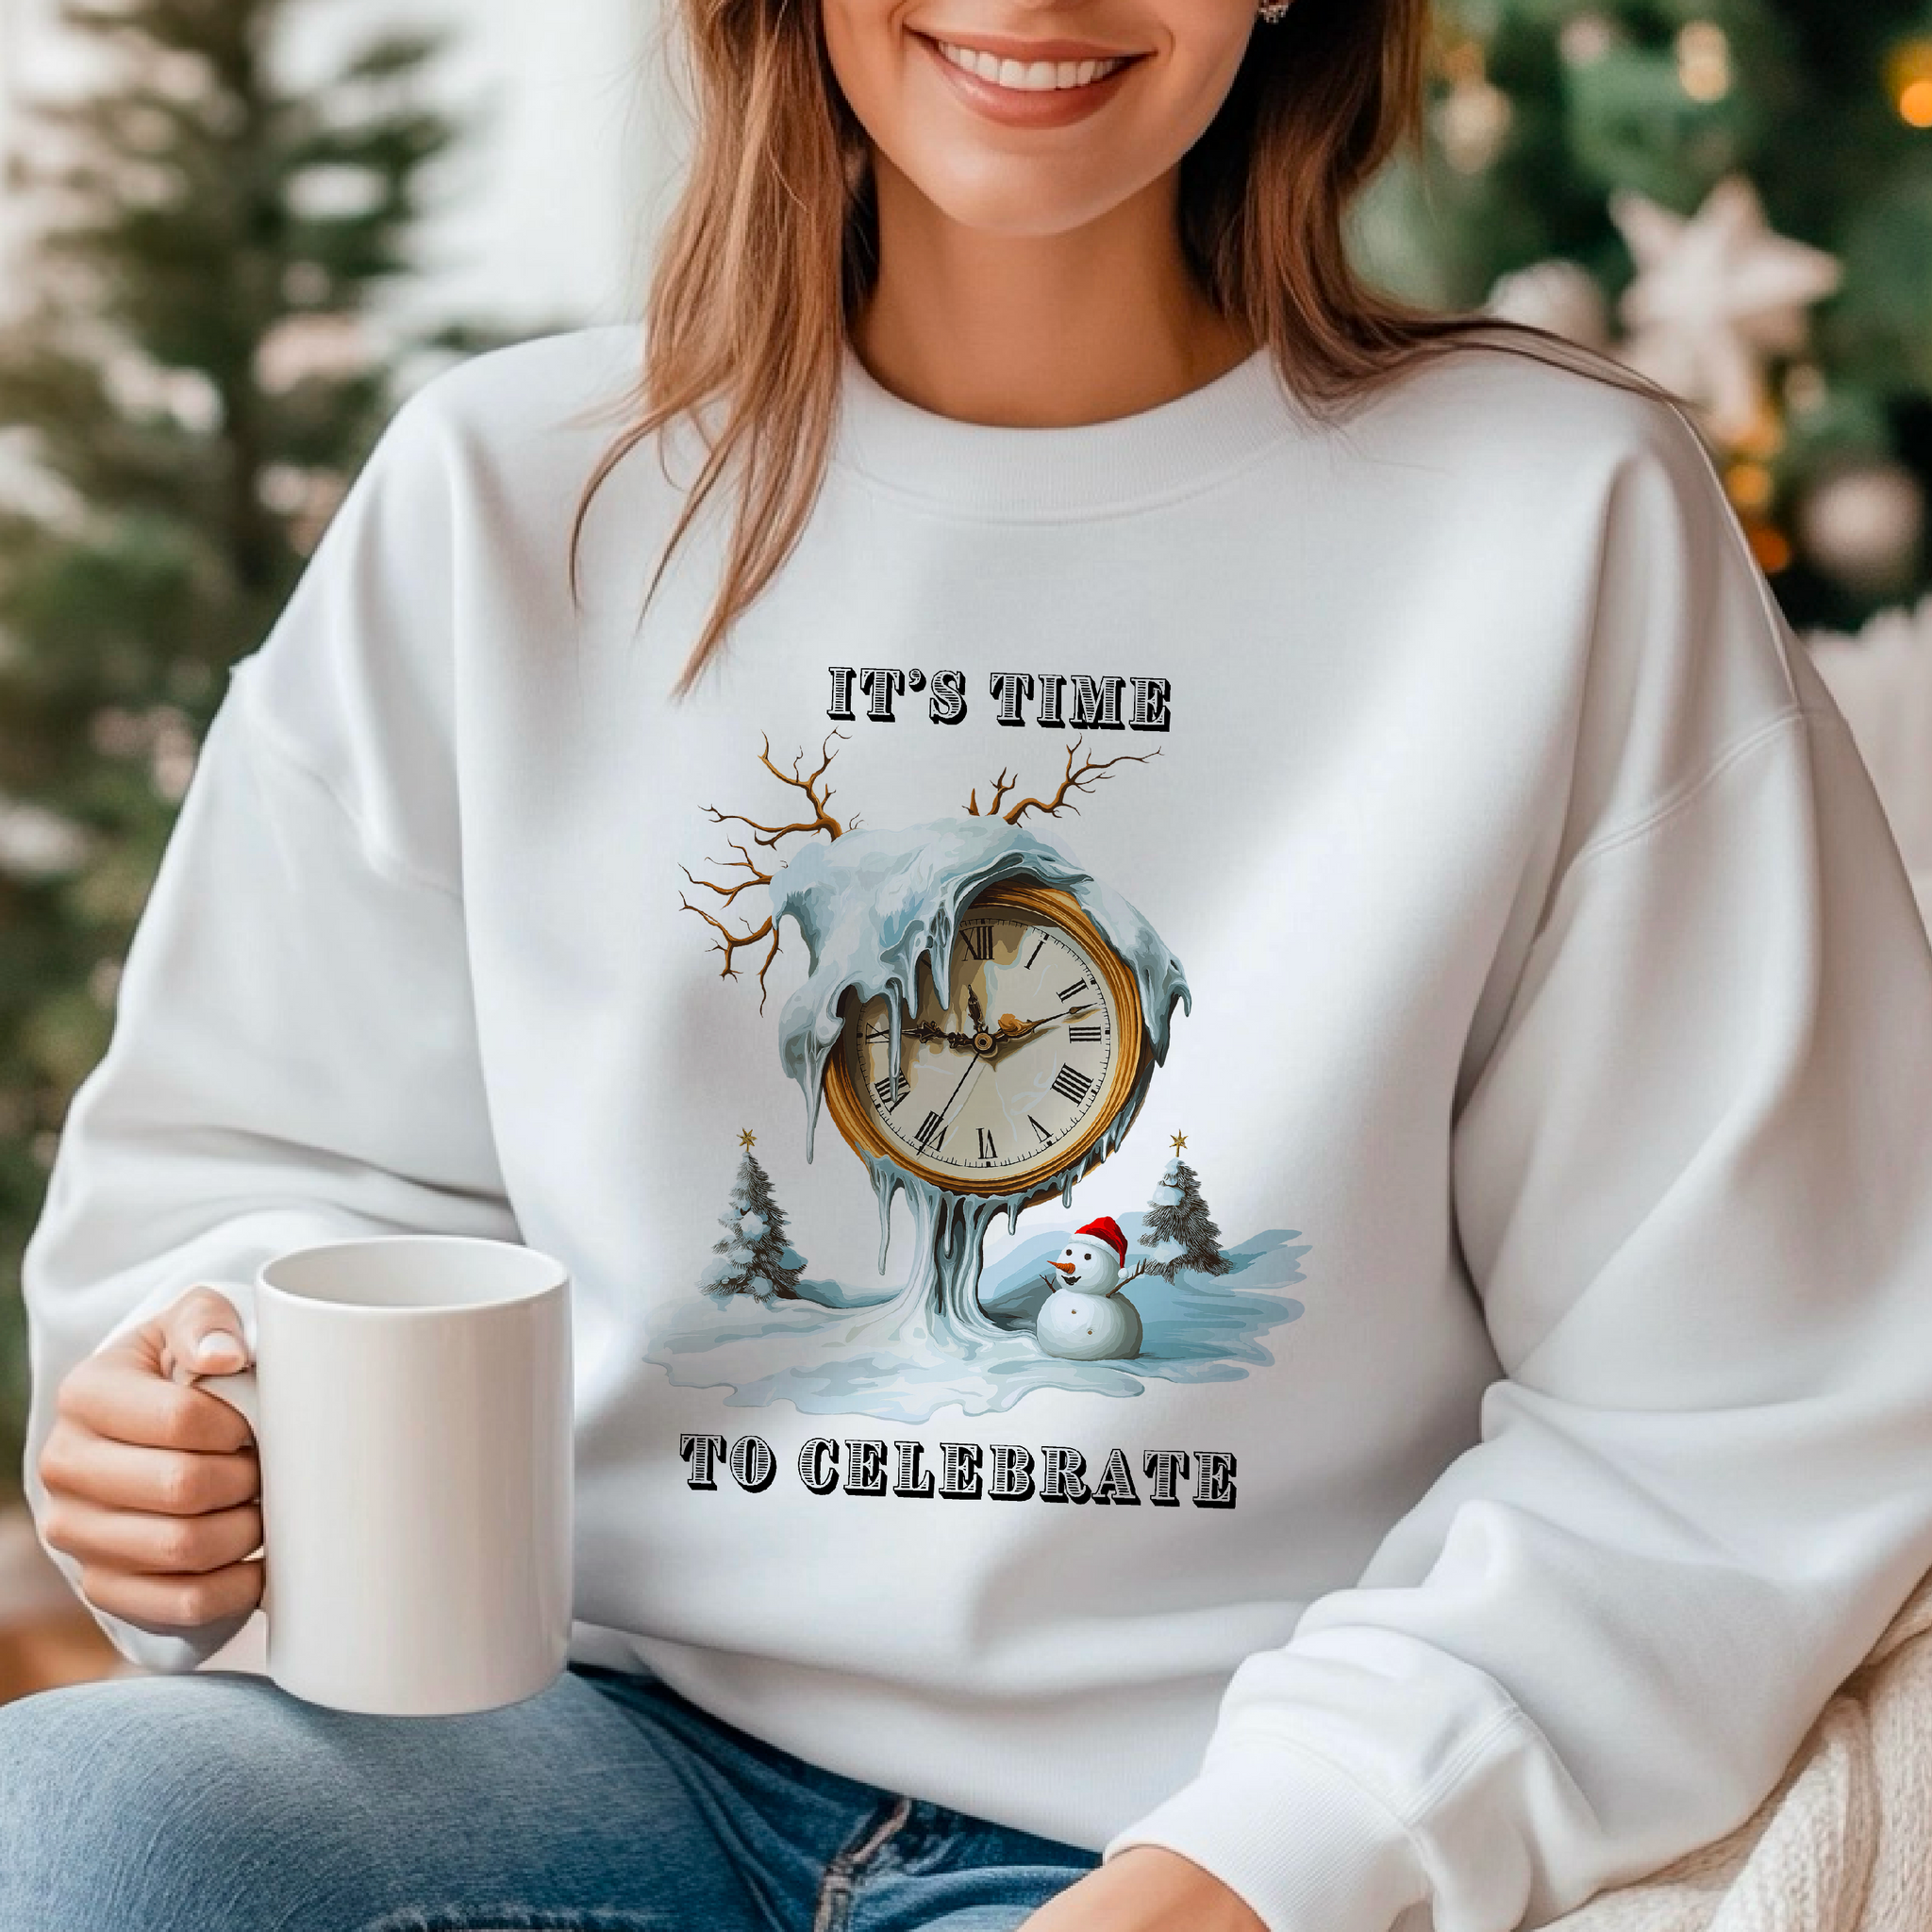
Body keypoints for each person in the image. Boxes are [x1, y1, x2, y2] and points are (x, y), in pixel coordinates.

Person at [6, 0, 1932, 1926]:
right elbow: (254, 1173)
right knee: (81, 1822)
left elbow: (1737, 1405)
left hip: (1203, 1800)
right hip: (592, 1747)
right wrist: (191, 1416)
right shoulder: (504, 493)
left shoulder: (1558, 523)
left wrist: (1249, 1873)